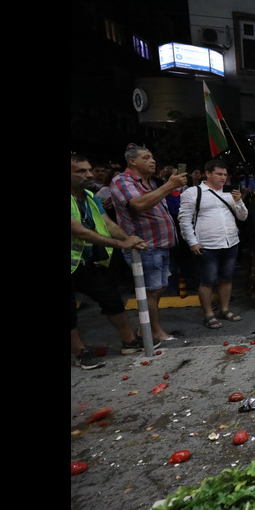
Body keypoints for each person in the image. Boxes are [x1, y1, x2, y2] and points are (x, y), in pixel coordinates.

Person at [71, 153, 150, 369]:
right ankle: (81, 353)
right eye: (81, 171)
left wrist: (128, 239)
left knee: (111, 299)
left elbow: (108, 223)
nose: (88, 174)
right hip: (75, 262)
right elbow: (79, 232)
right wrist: (121, 245)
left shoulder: (89, 195)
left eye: (88, 170)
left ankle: (129, 342)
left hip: (83, 262)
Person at [109, 144, 189, 342]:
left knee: (158, 288)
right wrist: (169, 185)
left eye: (152, 157)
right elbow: (139, 204)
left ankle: (144, 329)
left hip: (161, 244)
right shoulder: (122, 181)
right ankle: (153, 331)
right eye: (146, 157)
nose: (152, 161)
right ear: (132, 161)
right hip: (145, 246)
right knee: (151, 291)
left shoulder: (151, 182)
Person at [178, 159, 249, 328]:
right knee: (207, 280)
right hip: (208, 245)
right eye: (219, 174)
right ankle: (209, 314)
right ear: (207, 173)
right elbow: (184, 220)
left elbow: (243, 216)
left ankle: (224, 309)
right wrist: (192, 242)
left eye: (225, 174)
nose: (223, 177)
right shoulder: (193, 193)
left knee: (226, 278)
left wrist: (239, 202)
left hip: (231, 242)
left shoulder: (229, 193)